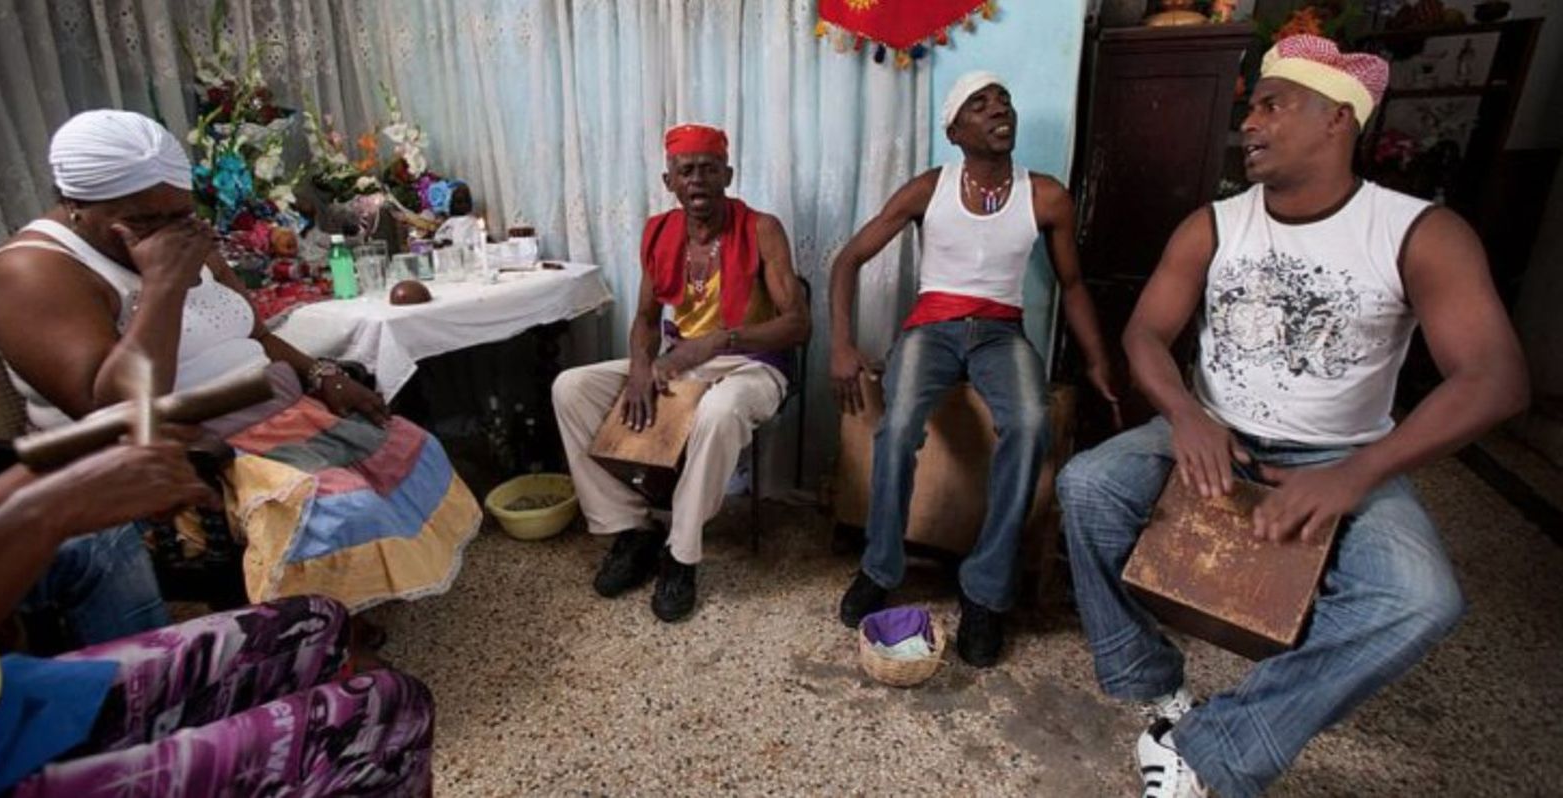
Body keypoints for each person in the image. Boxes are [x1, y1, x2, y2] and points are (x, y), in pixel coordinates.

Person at [1055, 36, 1529, 797]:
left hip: (1346, 453)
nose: (1250, 121)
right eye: (1252, 107)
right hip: (1215, 428)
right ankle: (1157, 687)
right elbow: (1145, 334)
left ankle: (1211, 746)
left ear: (1338, 118)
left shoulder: (1418, 232)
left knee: (1418, 598)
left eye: (1273, 105)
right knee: (1087, 485)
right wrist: (1185, 414)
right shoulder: (1215, 224)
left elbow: (1496, 379)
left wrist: (1357, 475)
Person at [0, 109, 483, 614]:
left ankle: (351, 597)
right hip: (182, 449)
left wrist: (321, 374)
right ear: (76, 204)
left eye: (179, 215)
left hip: (270, 412)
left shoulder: (181, 235)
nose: (170, 233)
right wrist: (163, 285)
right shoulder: (28, 273)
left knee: (410, 450)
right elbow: (116, 408)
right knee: (333, 504)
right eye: (144, 220)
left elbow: (254, 333)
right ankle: (310, 628)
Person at [828, 72, 1118, 666]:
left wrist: (1097, 361)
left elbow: (1072, 284)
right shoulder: (929, 188)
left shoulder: (1045, 196)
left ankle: (985, 592)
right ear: (955, 131)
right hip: (930, 330)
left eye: (1003, 100)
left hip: (1000, 334)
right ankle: (880, 568)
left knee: (1031, 425)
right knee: (897, 426)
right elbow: (848, 260)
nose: (997, 109)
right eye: (979, 105)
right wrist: (842, 344)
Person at [0, 444, 434, 797]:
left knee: (314, 624)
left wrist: (57, 474)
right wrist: (46, 512)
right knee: (388, 708)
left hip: (4, 697)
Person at [552, 124, 810, 622]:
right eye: (686, 171)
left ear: (727, 175)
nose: (697, 180)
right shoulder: (660, 232)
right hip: (680, 361)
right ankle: (632, 530)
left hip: (753, 364)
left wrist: (720, 340)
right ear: (668, 180)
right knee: (571, 388)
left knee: (718, 410)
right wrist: (640, 369)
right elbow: (646, 320)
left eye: (709, 169)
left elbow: (798, 324)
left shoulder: (762, 228)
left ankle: (681, 555)